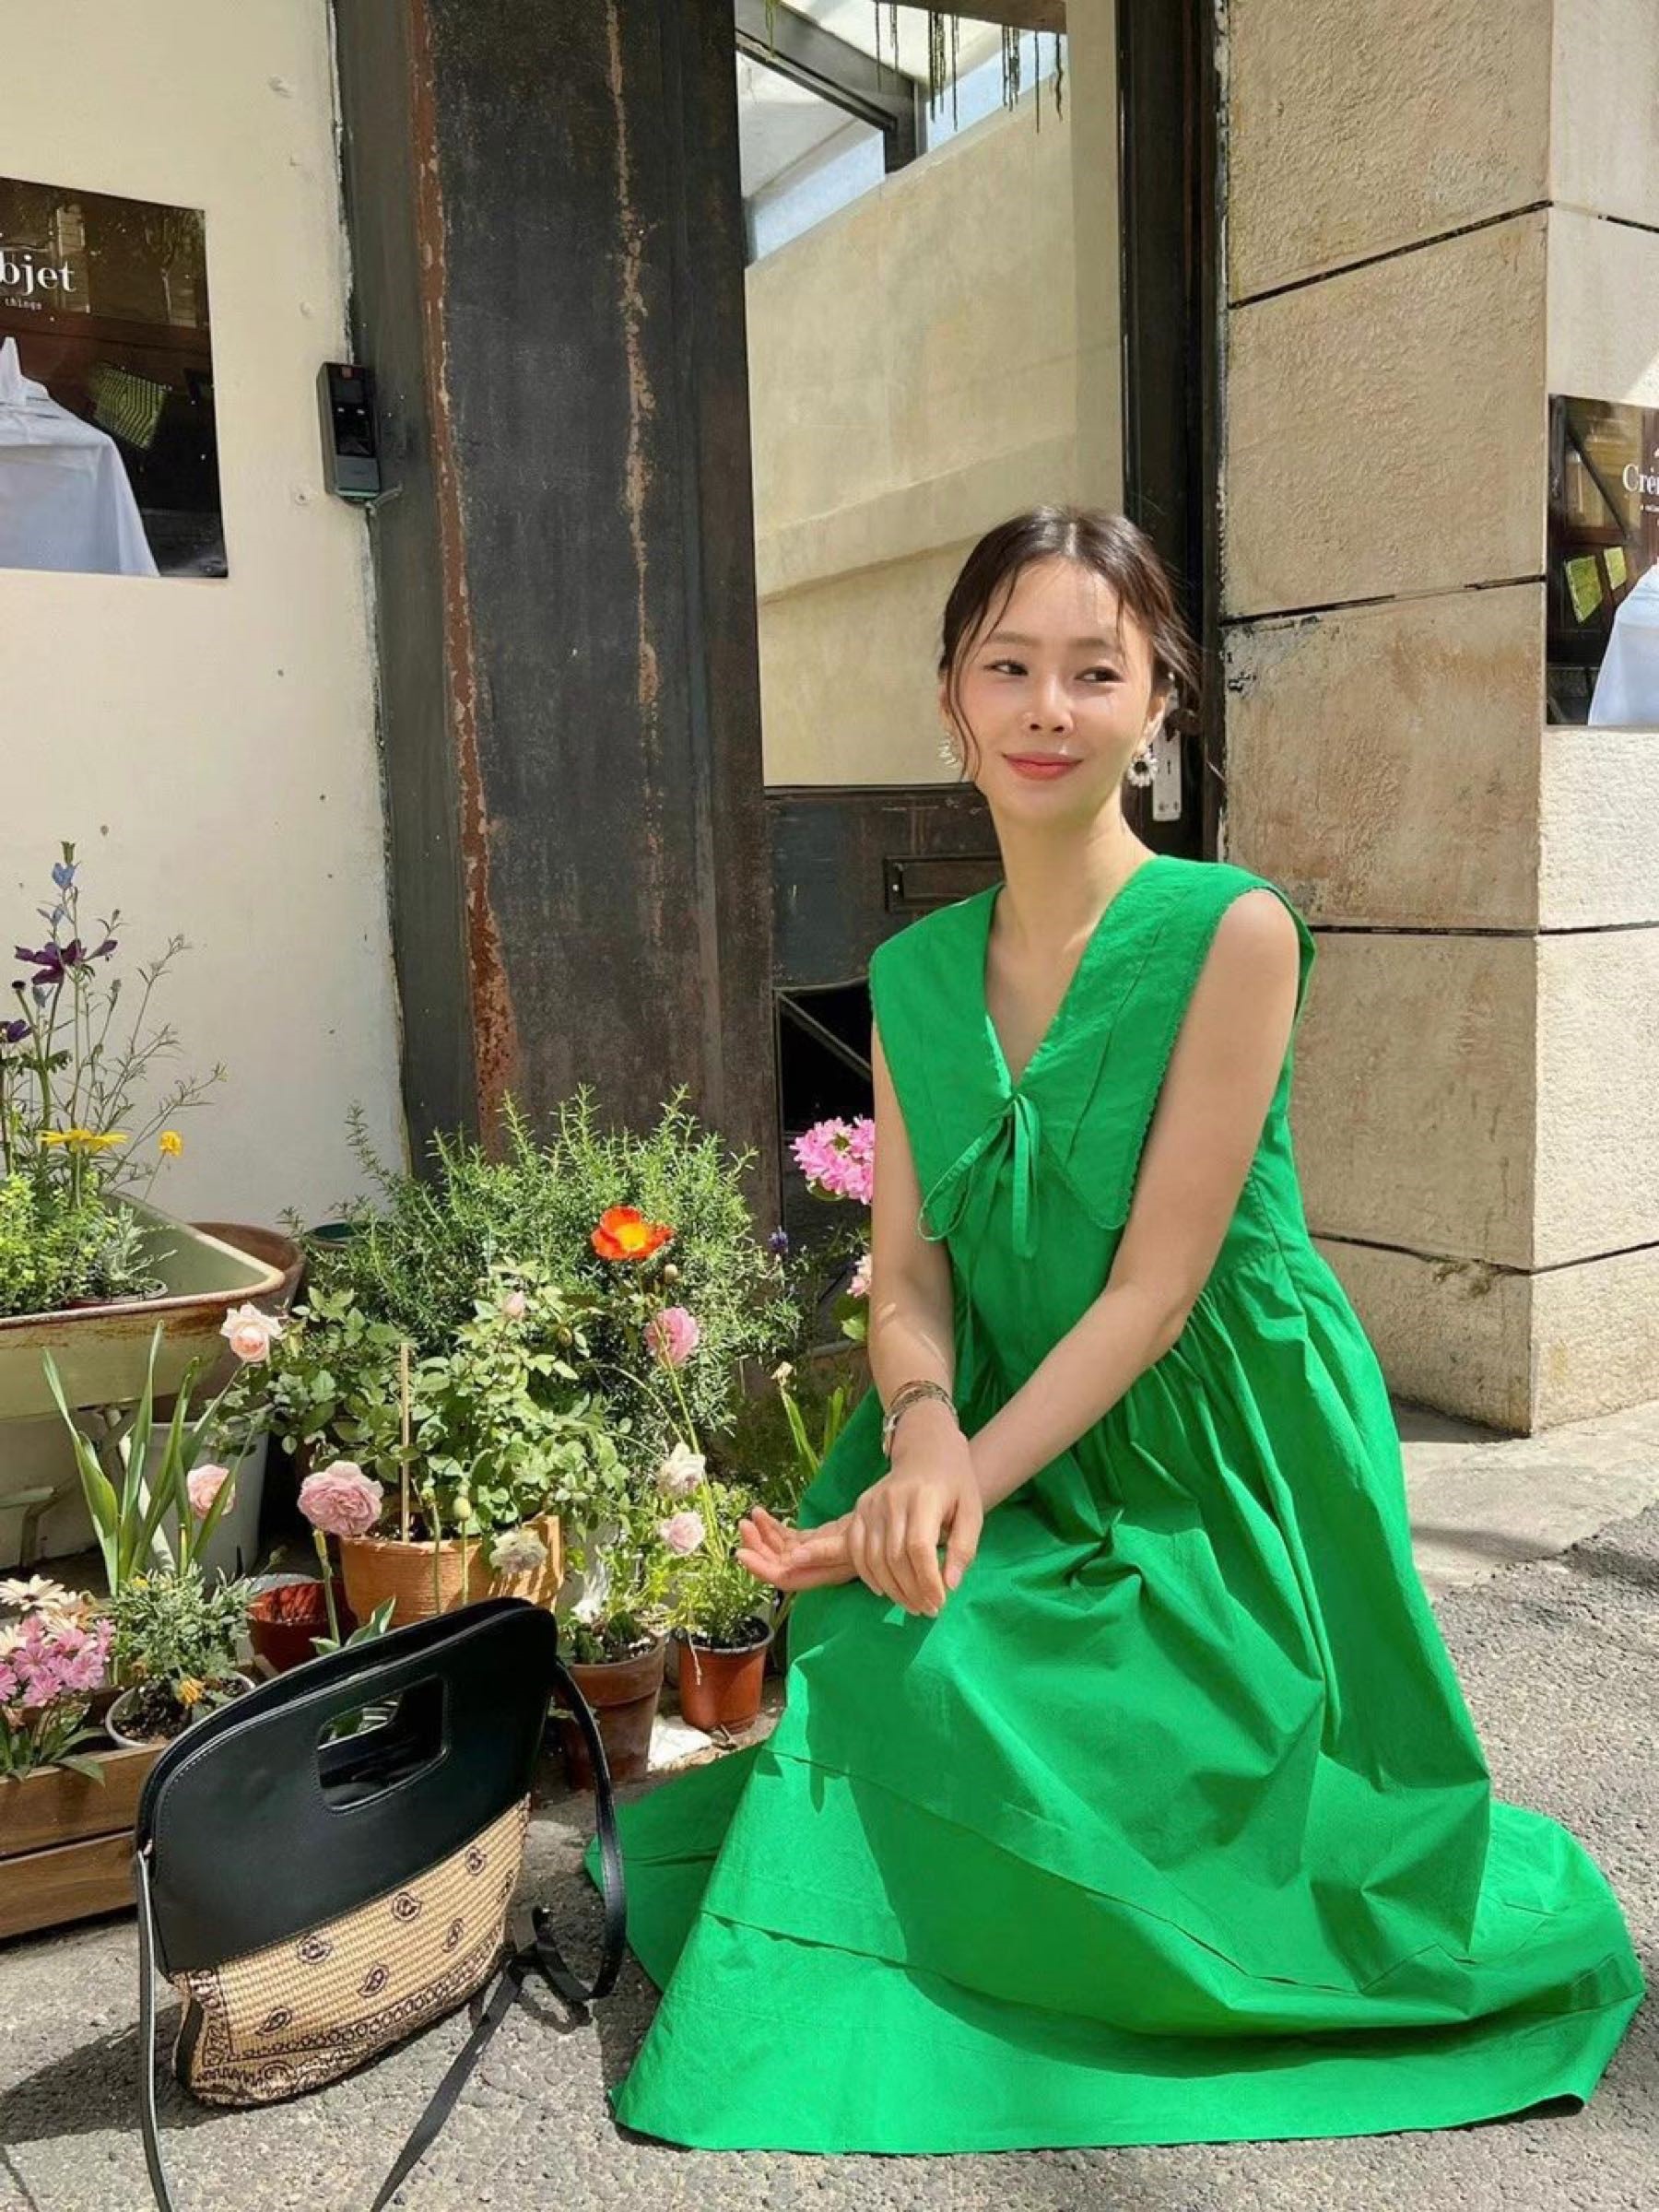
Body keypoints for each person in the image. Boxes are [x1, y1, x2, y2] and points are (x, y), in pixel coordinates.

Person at [581, 505, 1645, 2152]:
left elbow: (1154, 1295)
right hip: (1005, 1412)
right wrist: (922, 1436)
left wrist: (958, 1487)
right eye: (1008, 667)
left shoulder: (1232, 931)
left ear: (1160, 704)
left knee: (1148, 1765)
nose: (1048, 709)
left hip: (1220, 1452)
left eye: (1096, 671)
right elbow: (910, 1275)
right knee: (902, 1668)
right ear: (953, 694)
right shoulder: (914, 973)